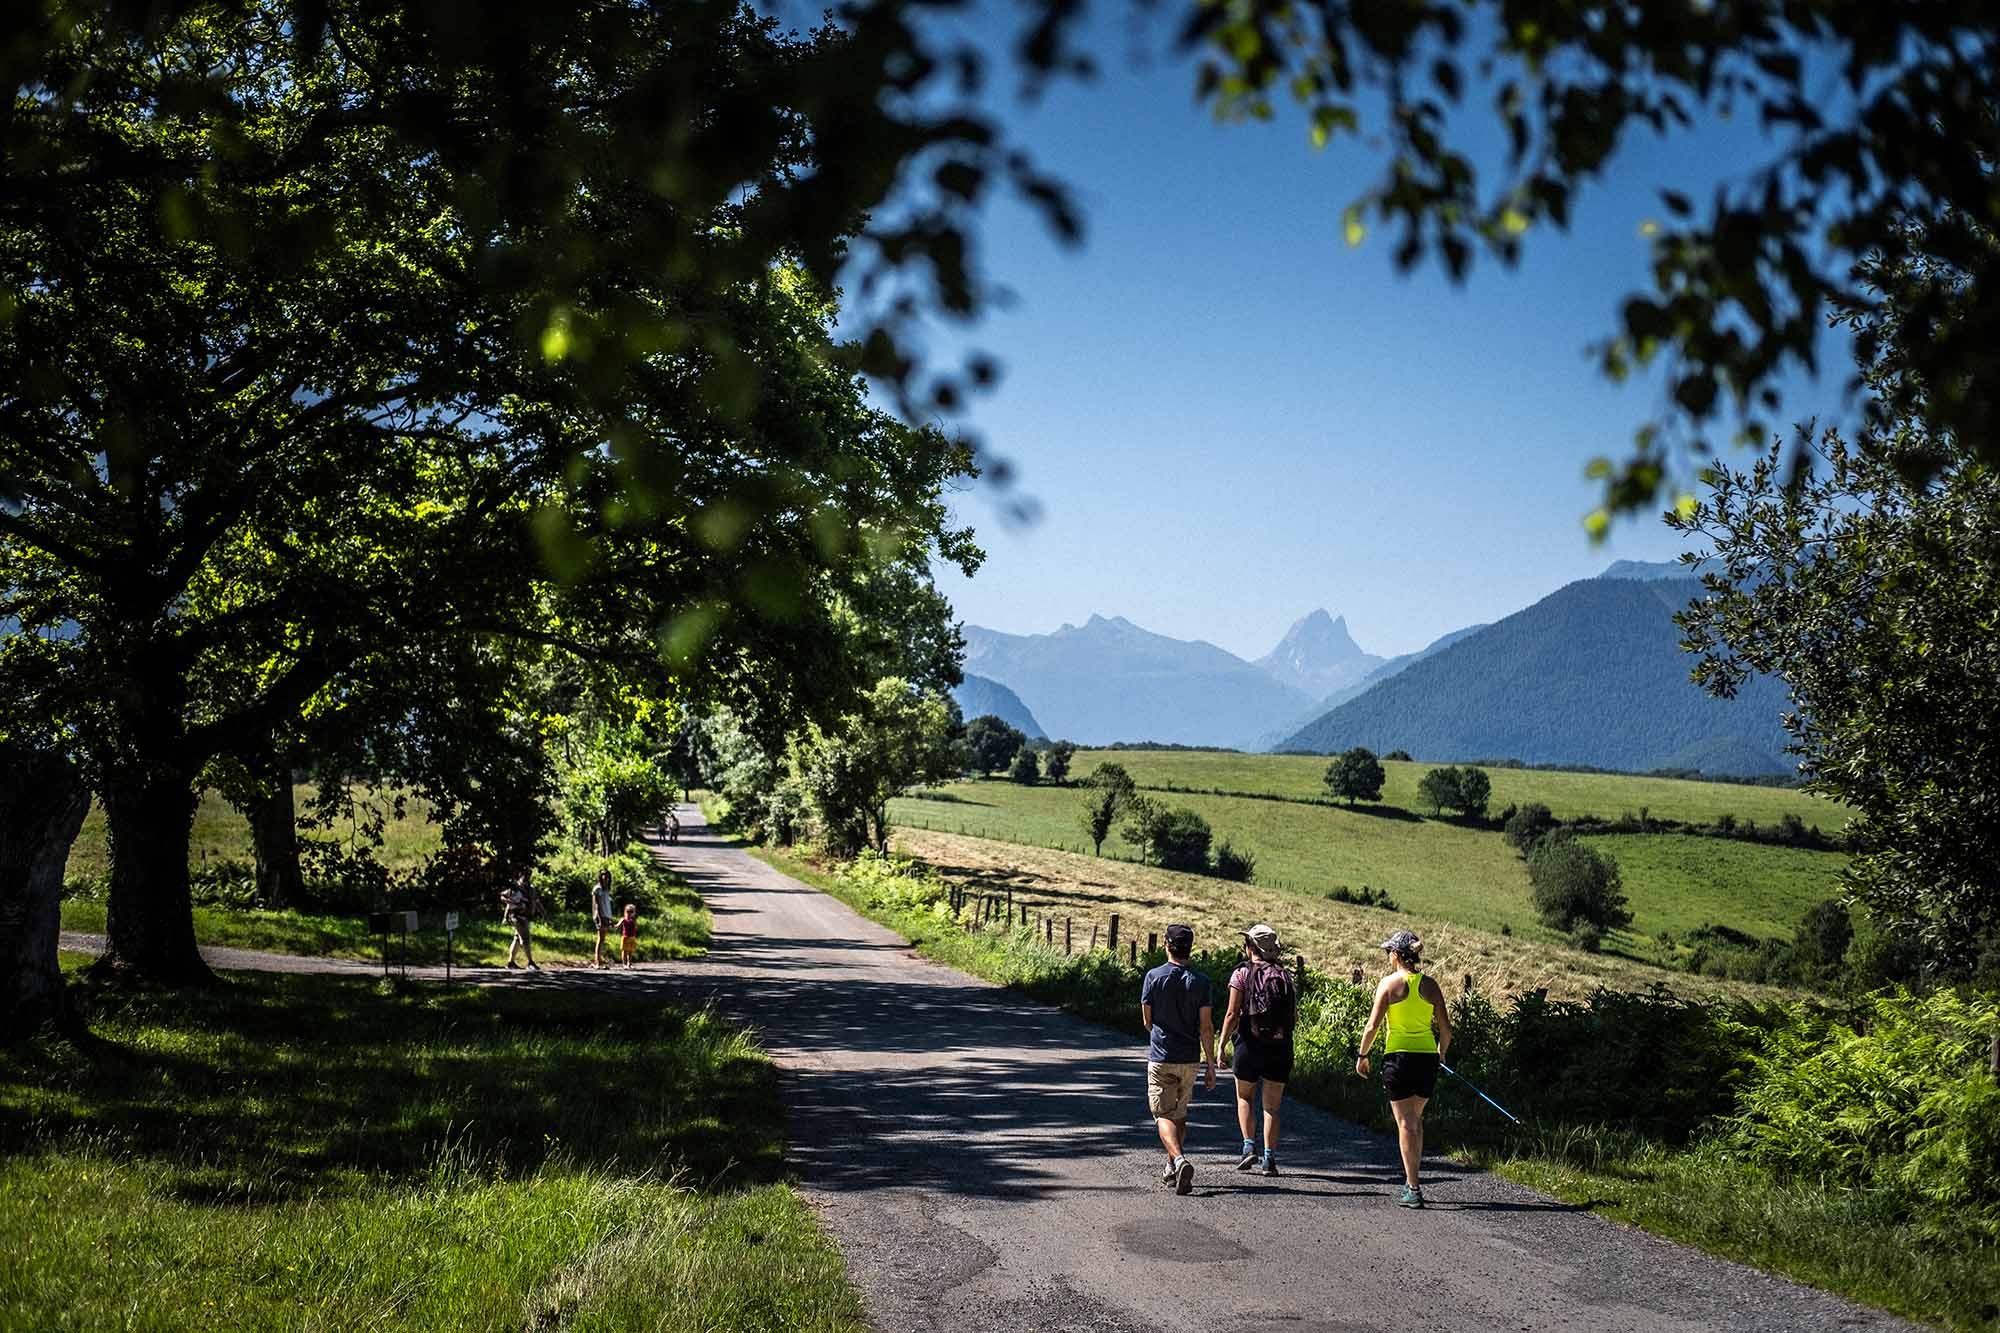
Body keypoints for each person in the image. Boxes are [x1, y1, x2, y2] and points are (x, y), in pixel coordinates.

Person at [1354, 929, 1452, 1208]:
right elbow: (1446, 1028)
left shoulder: (1388, 984)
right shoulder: (1431, 985)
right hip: (1426, 1060)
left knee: (1406, 1123)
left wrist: (1362, 1054)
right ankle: (1413, 1179)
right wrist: (1441, 1052)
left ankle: (1413, 1186)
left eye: (1389, 952)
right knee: (1415, 1120)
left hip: (1398, 1059)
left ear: (1397, 954)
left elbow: (1372, 1026)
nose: (1387, 956)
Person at [1139, 922, 1216, 1196]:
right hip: (1190, 1058)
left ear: (1166, 945)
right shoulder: (1202, 982)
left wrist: (1159, 1030)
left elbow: (1147, 1020)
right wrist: (1210, 1064)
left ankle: (1180, 1160)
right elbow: (1206, 1027)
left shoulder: (1153, 977)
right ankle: (1172, 1166)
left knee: (1162, 1114)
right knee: (1180, 1114)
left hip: (1163, 1055)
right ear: (1190, 948)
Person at [1216, 922, 1296, 1176]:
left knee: (1245, 1097)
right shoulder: (1285, 976)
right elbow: (1293, 1017)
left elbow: (1231, 1013)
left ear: (1250, 946)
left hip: (1248, 1045)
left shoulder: (1241, 974)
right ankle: (1269, 1159)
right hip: (1279, 1047)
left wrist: (1221, 1045)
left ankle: (1249, 1147)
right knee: (1271, 1107)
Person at [501, 870, 540, 971]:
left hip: (524, 916)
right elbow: (503, 897)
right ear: (521, 875)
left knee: (517, 939)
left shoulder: (528, 888)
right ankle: (530, 962)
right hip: (517, 916)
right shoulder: (515, 887)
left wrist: (542, 913)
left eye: (529, 875)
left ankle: (510, 962)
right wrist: (513, 903)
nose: (527, 877)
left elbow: (535, 901)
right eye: (525, 875)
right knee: (525, 939)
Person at [591, 868, 615, 968]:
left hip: (606, 915)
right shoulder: (598, 889)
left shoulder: (606, 889)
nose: (606, 878)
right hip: (600, 915)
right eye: (604, 876)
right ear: (600, 877)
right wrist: (600, 918)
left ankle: (599, 959)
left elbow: (607, 904)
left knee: (603, 938)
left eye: (607, 876)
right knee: (600, 938)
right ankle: (597, 961)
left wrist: (609, 917)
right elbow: (597, 905)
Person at [619, 902, 639, 968]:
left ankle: (629, 963)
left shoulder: (633, 920)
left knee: (630, 951)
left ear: (633, 912)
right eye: (628, 911)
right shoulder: (623, 919)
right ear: (625, 911)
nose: (629, 913)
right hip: (625, 937)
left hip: (632, 937)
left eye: (631, 911)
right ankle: (624, 964)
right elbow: (617, 925)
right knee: (624, 951)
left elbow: (636, 927)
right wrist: (611, 925)